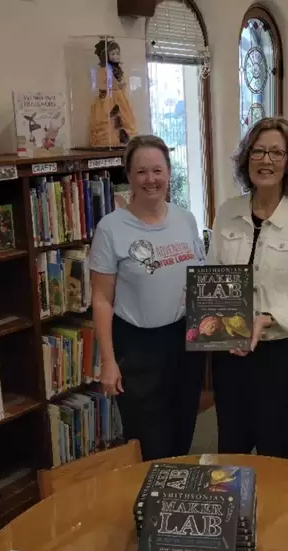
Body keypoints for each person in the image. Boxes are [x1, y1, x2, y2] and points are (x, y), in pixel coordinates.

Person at [207, 117, 288, 459]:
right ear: (247, 159)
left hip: (279, 353)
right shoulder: (228, 211)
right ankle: (232, 510)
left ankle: (276, 512)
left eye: (276, 152)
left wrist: (265, 319)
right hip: (230, 348)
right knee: (231, 441)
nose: (266, 160)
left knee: (274, 443)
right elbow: (214, 275)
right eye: (258, 151)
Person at [89, 135, 207, 461]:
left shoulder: (185, 219)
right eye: (141, 172)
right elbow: (101, 299)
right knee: (149, 441)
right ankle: (149, 507)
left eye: (157, 170)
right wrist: (108, 361)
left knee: (183, 428)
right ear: (129, 176)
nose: (150, 180)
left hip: (185, 339)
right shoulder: (111, 229)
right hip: (138, 345)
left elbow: (200, 278)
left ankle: (175, 497)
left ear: (169, 173)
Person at [89, 38, 138, 148]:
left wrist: (121, 87)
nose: (116, 56)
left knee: (124, 119)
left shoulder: (118, 70)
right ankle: (110, 140)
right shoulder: (103, 70)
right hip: (108, 99)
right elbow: (102, 85)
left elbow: (123, 83)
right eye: (112, 53)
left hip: (120, 98)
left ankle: (122, 138)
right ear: (106, 55)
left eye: (117, 53)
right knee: (109, 120)